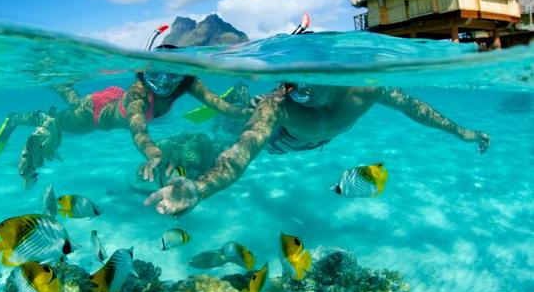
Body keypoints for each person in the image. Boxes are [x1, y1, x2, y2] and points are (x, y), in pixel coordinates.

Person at [143, 82, 491, 216]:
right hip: (281, 140)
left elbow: (416, 108)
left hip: (313, 140)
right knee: (232, 131)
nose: (298, 93)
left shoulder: (366, 91)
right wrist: (200, 187)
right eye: (291, 85)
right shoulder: (280, 103)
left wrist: (462, 133)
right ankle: (239, 103)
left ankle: (242, 101)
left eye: (306, 84)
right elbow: (242, 152)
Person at [0, 26, 249, 185]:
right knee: (58, 122)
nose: (164, 82)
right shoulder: (138, 95)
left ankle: (59, 83)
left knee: (73, 99)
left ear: (183, 74)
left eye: (172, 75)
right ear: (144, 72)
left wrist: (245, 111)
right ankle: (17, 117)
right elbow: (138, 130)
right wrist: (154, 154)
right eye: (156, 74)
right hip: (93, 114)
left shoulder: (188, 83)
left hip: (107, 100)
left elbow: (219, 104)